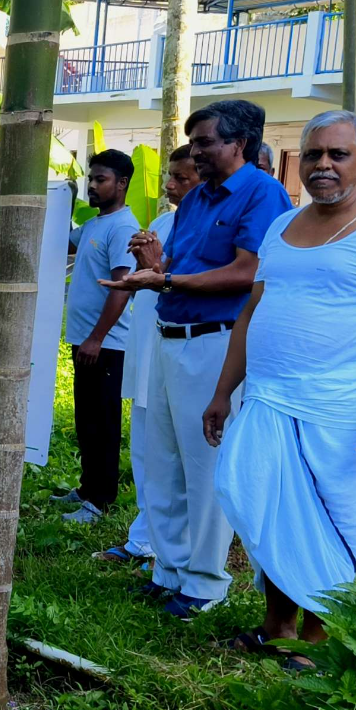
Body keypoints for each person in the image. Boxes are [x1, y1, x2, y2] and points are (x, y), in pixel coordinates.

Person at [205, 111, 356, 669]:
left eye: (338, 154)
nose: (323, 165)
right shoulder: (281, 225)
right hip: (267, 398)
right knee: (267, 506)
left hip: (341, 411)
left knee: (329, 519)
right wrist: (223, 392)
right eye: (313, 155)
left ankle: (316, 640)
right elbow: (251, 312)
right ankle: (276, 626)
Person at [102, 99, 293, 619]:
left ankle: (205, 583)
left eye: (207, 142)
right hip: (168, 335)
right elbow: (180, 266)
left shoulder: (264, 194)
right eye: (196, 142)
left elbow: (248, 273)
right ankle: (169, 572)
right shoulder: (197, 198)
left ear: (241, 144)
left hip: (215, 342)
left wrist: (162, 279)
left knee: (205, 466)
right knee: (161, 461)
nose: (197, 152)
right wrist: (153, 264)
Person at [94, 145, 202, 564]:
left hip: (182, 354)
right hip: (146, 351)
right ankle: (145, 538)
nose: (171, 186)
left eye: (181, 178)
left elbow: (180, 281)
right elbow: (148, 281)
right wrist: (145, 266)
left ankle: (182, 551)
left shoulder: (209, 228)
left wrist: (160, 269)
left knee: (183, 459)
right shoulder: (161, 222)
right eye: (169, 178)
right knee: (146, 451)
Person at [52, 149, 138, 523]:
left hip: (106, 345)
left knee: (103, 422)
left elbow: (123, 287)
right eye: (91, 179)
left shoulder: (122, 228)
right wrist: (66, 199)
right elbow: (61, 244)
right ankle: (87, 488)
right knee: (87, 418)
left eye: (100, 179)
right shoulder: (94, 223)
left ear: (121, 184)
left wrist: (96, 338)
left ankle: (100, 500)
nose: (93, 185)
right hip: (87, 341)